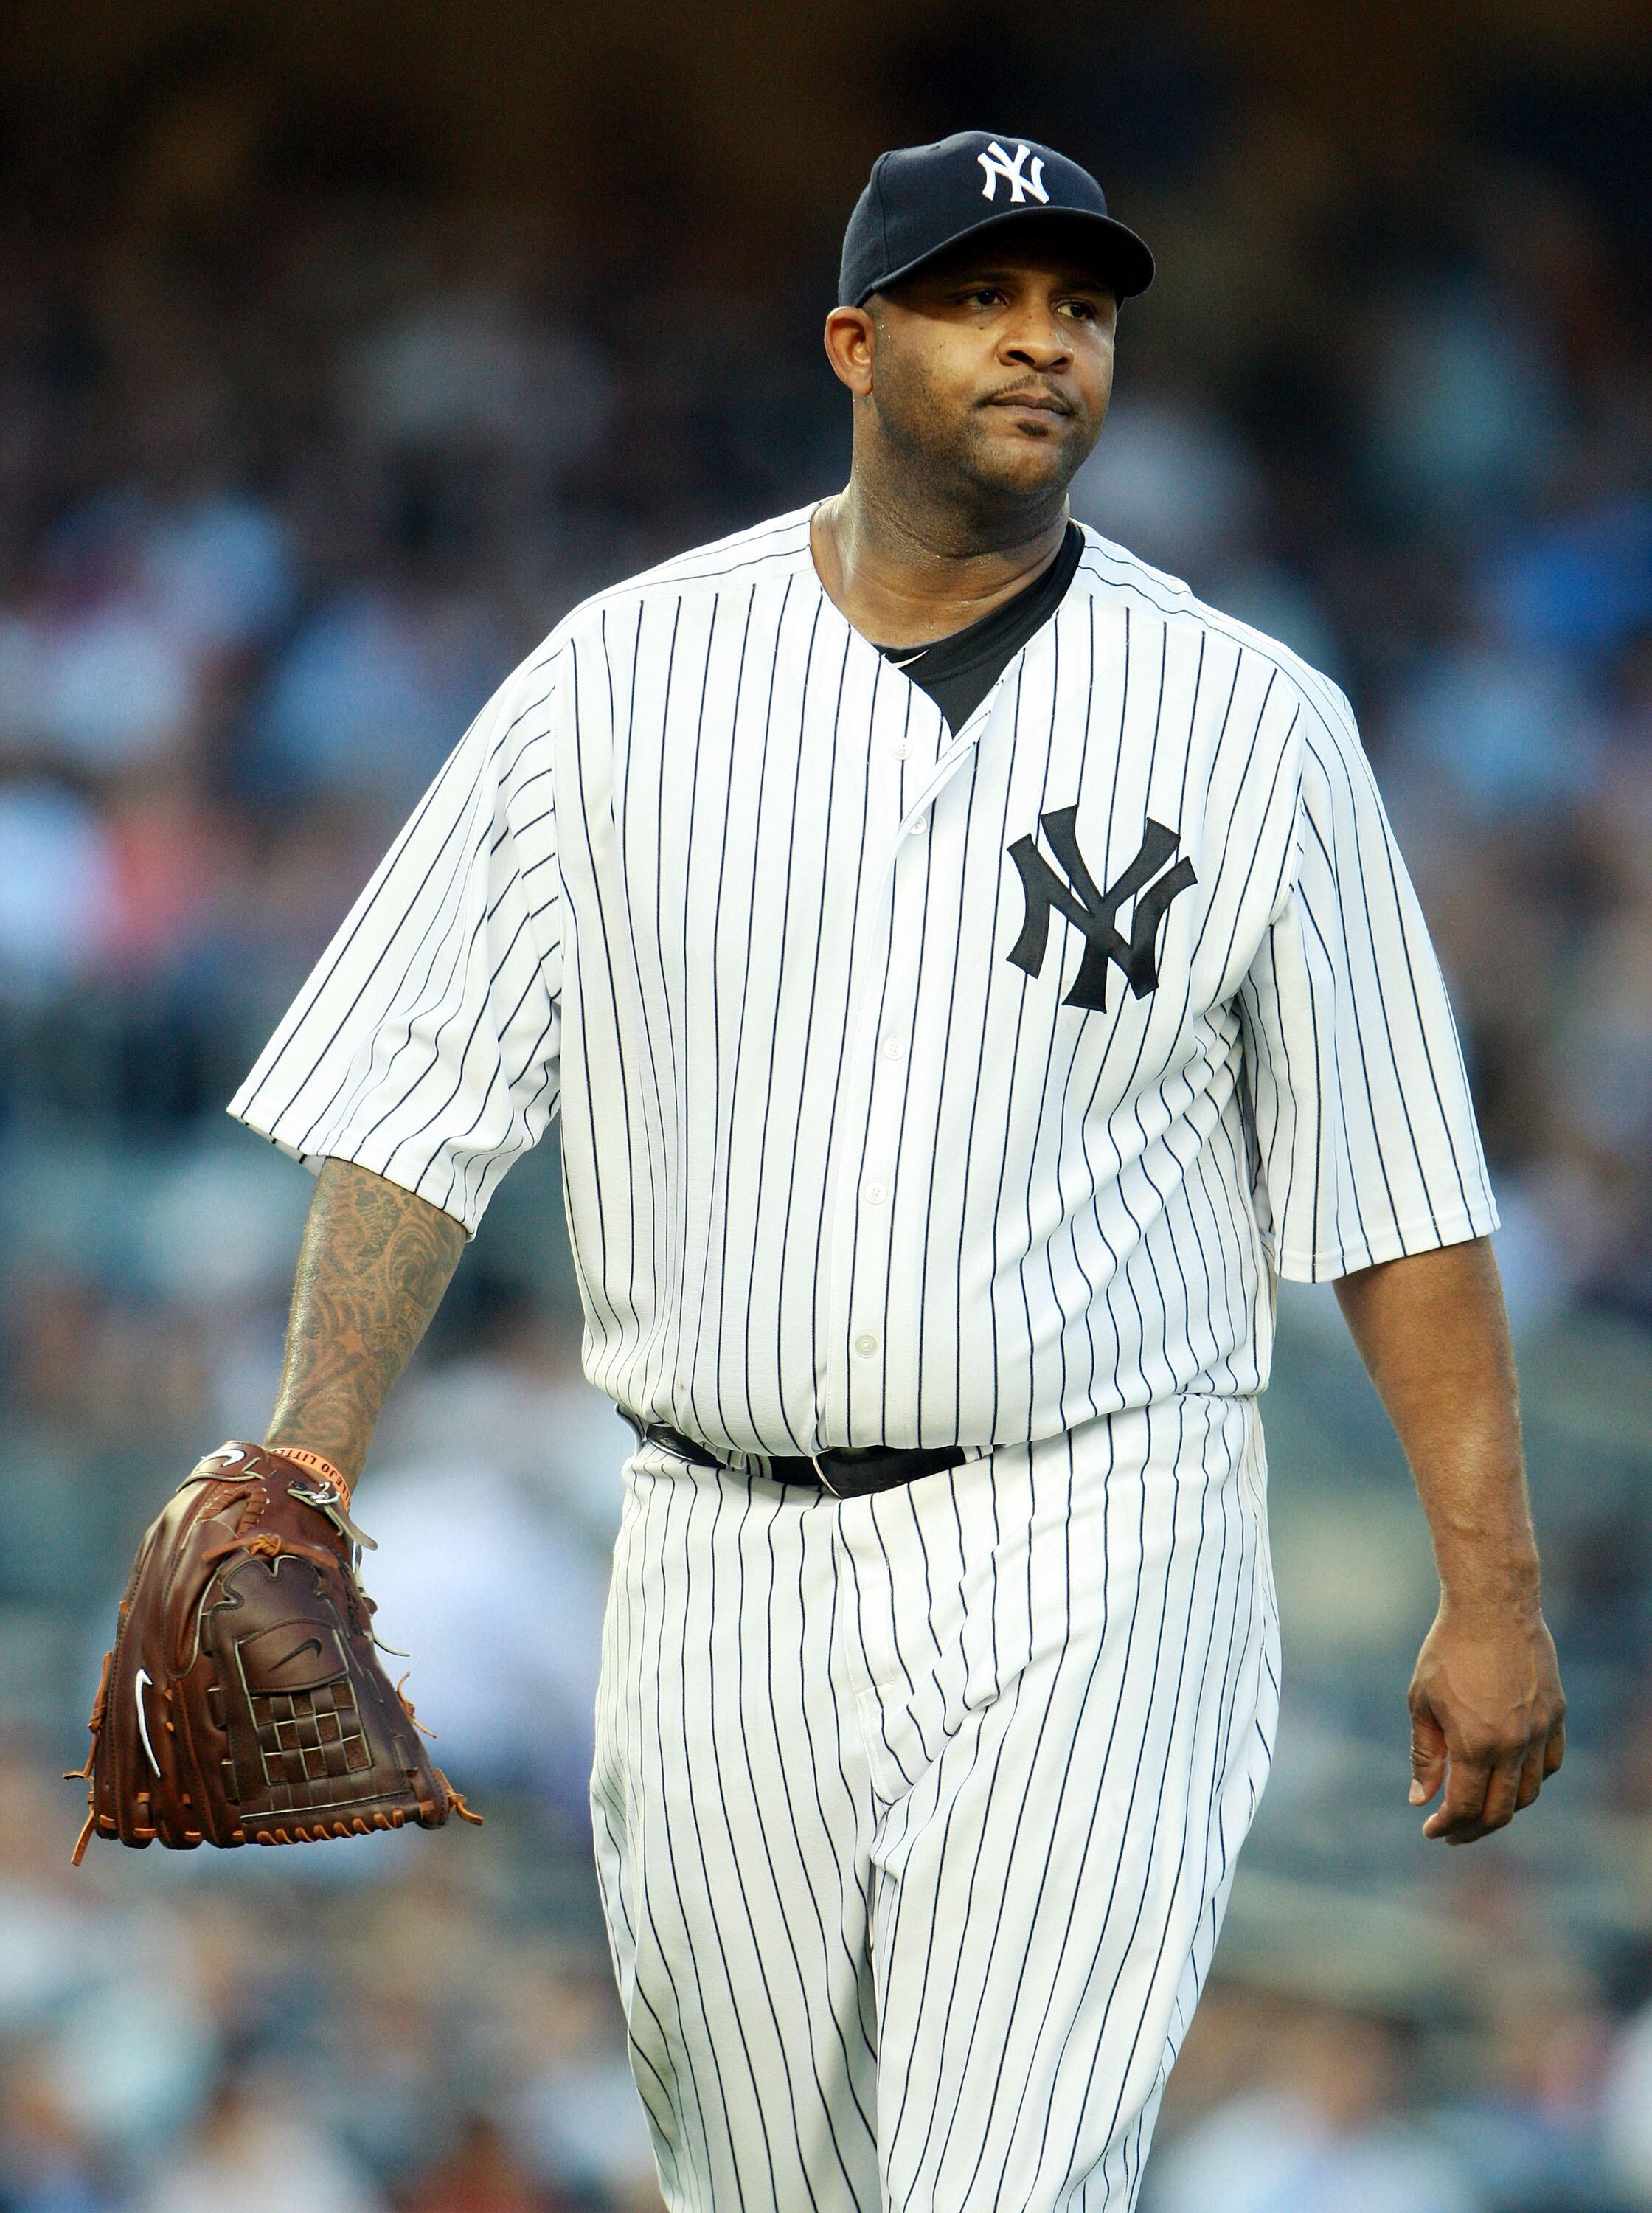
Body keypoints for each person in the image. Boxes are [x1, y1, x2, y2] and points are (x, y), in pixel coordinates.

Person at [224, 131, 1566, 2212]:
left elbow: (1398, 1189)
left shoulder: (1250, 721)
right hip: (711, 1551)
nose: (1043, 342)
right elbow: (416, 1101)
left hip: (1096, 1532)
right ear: (854, 346)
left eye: (1081, 307)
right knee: (762, 2184)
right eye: (980, 298)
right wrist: (304, 1467)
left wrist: (1493, 1590)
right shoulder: (620, 679)